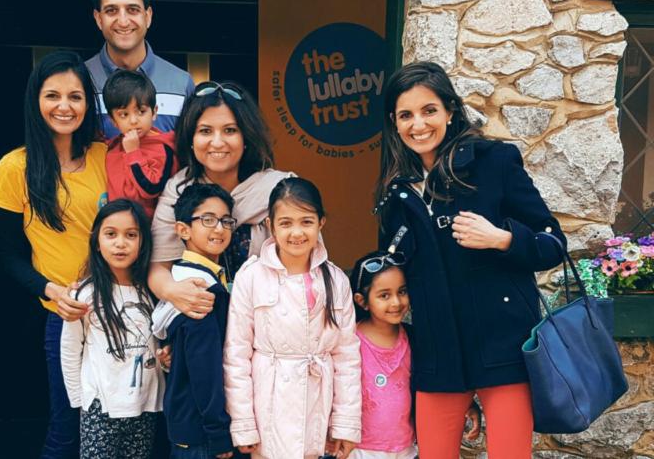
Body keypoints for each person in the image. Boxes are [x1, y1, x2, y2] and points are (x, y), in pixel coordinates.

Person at [373, 61, 566, 458]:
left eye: (429, 110)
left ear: (449, 111)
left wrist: (502, 239)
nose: (419, 125)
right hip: (438, 354)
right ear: (394, 122)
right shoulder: (395, 194)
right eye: (406, 115)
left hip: (504, 347)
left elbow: (553, 244)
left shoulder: (494, 162)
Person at [0, 50, 106, 458]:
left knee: (120, 422)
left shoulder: (105, 156)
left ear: (87, 104)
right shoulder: (13, 167)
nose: (64, 106)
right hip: (64, 315)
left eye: (75, 97)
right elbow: (5, 255)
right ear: (35, 101)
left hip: (119, 310)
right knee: (67, 426)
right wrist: (51, 290)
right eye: (52, 95)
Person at [223, 177, 361, 459]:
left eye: (306, 222)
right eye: (286, 223)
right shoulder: (251, 277)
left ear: (321, 222)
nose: (296, 232)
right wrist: (244, 424)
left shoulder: (335, 280)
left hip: (317, 405)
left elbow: (347, 357)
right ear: (270, 225)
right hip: (268, 407)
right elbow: (236, 355)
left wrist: (345, 424)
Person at [150, 81, 293, 319]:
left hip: (270, 321)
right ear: (191, 138)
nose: (217, 142)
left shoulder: (280, 189)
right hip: (201, 320)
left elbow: (308, 265)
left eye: (230, 130)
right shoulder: (178, 189)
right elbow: (159, 266)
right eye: (205, 131)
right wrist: (174, 291)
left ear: (246, 136)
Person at [348, 247, 482, 459]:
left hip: (406, 449)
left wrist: (467, 403)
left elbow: (437, 378)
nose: (396, 302)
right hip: (358, 449)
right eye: (384, 295)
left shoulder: (415, 339)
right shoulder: (348, 342)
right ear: (361, 300)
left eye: (402, 291)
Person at [61, 199, 163, 459]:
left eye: (131, 235)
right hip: (100, 406)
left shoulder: (151, 291)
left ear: (143, 243)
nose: (120, 243)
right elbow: (70, 348)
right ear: (97, 241)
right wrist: (80, 399)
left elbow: (158, 345)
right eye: (110, 234)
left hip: (144, 404)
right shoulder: (85, 293)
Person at [151, 183, 235, 459]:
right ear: (183, 229)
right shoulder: (198, 289)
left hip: (188, 423)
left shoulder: (182, 278)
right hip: (202, 432)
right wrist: (218, 432)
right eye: (207, 220)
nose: (219, 228)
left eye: (225, 220)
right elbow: (205, 368)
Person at [87, 0, 194, 138]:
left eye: (132, 10)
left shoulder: (181, 84)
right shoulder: (80, 81)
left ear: (148, 16)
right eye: (111, 10)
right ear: (99, 19)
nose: (123, 21)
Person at [103, 69, 178, 218]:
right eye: (124, 114)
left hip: (144, 227)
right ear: (113, 121)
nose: (133, 121)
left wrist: (133, 153)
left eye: (141, 111)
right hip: (114, 224)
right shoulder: (114, 145)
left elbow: (151, 188)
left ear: (154, 112)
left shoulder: (163, 148)